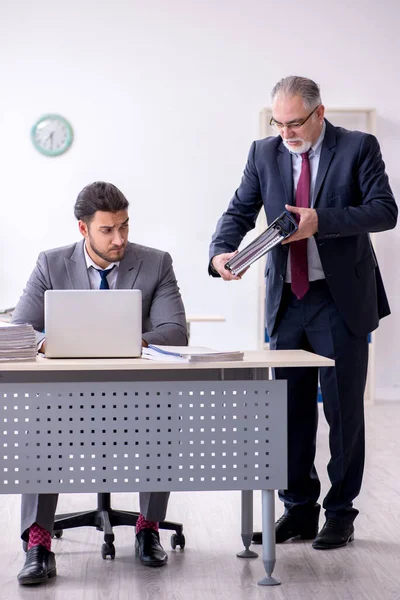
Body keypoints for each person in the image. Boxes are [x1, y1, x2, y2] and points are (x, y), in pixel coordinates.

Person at [209, 76, 397, 551]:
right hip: (287, 301)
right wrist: (220, 253)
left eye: (295, 122)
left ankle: (340, 513)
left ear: (319, 113)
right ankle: (298, 511)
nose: (286, 132)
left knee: (341, 412)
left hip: (339, 301)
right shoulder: (263, 153)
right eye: (279, 122)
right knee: (288, 413)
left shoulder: (357, 147)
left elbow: (383, 211)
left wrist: (322, 221)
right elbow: (238, 211)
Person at [12, 181, 188, 584]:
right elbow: (22, 326)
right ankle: (38, 542)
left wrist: (127, 340)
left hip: (136, 394)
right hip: (66, 396)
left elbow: (175, 331)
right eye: (107, 230)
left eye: (124, 227)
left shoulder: (156, 262)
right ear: (83, 229)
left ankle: (148, 528)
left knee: (162, 419)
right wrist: (53, 342)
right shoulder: (51, 263)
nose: (119, 238)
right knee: (38, 426)